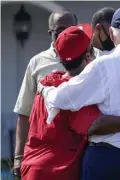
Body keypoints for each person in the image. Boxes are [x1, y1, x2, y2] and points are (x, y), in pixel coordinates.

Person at [39, 7, 120, 180]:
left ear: (112, 33)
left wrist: (45, 90)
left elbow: (62, 99)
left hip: (103, 159)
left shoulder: (102, 66)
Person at [13, 10, 78, 178]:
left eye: (70, 31)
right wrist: (19, 157)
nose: (65, 35)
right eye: (59, 31)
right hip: (42, 154)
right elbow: (24, 112)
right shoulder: (37, 63)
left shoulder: (90, 59)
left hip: (77, 154)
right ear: (50, 33)